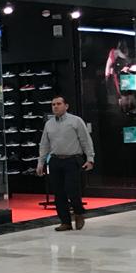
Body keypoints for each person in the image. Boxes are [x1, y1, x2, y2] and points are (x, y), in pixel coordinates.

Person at [36, 95, 95, 232]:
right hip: (55, 160)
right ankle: (65, 222)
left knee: (72, 190)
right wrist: (40, 162)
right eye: (53, 104)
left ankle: (78, 212)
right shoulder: (49, 124)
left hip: (72, 159)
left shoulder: (76, 121)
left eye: (58, 104)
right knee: (58, 193)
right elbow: (44, 145)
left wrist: (90, 158)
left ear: (66, 106)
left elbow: (86, 140)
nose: (55, 107)